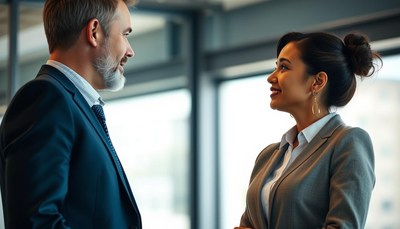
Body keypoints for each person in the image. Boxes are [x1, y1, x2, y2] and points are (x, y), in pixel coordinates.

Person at [0, 0, 142, 228]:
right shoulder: (46, 98)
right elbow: (37, 222)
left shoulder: (74, 104)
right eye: (125, 35)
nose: (130, 51)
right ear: (94, 31)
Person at [235, 31, 381, 229]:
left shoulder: (348, 142)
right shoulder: (267, 156)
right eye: (275, 67)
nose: (271, 77)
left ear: (318, 81)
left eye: (284, 67)